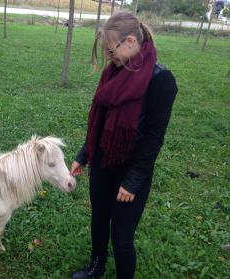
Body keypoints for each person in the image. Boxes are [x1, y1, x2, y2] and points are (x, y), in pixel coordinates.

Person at [70, 12, 178, 279]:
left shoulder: (160, 79)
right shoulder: (114, 71)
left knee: (121, 235)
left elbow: (154, 137)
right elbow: (99, 121)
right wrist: (83, 155)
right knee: (99, 220)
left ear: (129, 41)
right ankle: (96, 268)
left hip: (131, 171)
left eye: (110, 50)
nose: (109, 56)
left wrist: (133, 180)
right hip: (103, 162)